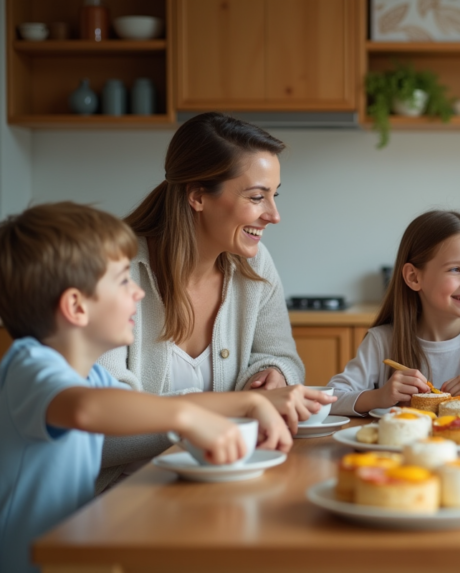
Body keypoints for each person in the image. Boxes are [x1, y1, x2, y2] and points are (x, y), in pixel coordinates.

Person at [0, 203, 293, 573]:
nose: (138, 293)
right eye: (123, 280)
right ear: (76, 306)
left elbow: (128, 406)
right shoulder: (30, 367)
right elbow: (84, 410)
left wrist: (248, 403)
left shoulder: (92, 376)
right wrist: (187, 417)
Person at [97, 112, 335, 490]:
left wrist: (272, 374)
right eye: (257, 197)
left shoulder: (254, 265)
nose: (274, 215)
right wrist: (231, 408)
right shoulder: (113, 271)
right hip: (125, 495)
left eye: (274, 195)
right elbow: (100, 435)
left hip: (221, 479)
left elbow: (284, 358)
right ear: (197, 196)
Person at [327, 210, 460, 416]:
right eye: (455, 269)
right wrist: (379, 396)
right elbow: (331, 397)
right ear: (414, 277)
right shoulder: (381, 341)